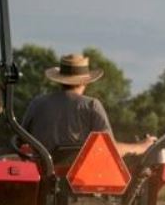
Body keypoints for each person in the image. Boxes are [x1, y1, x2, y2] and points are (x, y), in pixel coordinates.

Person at [21, 53, 155, 162]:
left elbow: (21, 140)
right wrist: (142, 146)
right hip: (77, 179)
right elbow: (110, 150)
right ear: (85, 81)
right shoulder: (91, 106)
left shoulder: (37, 103)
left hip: (42, 174)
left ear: (60, 80)